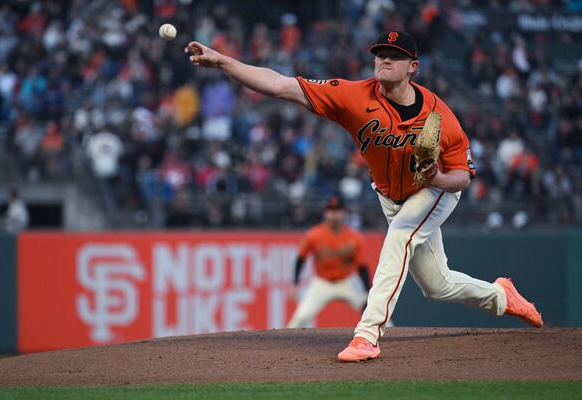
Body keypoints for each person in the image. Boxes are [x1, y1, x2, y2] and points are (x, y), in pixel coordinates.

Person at [184, 30, 543, 363]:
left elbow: (463, 177)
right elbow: (281, 85)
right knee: (437, 285)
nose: (384, 60)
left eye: (394, 56)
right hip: (390, 196)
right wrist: (223, 62)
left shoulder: (440, 117)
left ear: (412, 68)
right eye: (380, 54)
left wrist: (437, 176)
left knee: (399, 236)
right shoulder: (353, 96)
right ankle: (501, 296)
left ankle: (367, 335)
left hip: (434, 190)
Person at [287, 195, 371, 328]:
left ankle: (392, 337)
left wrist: (368, 290)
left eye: (337, 211)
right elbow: (301, 258)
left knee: (373, 311)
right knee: (301, 318)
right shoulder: (314, 235)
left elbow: (362, 267)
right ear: (325, 213)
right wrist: (295, 283)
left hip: (347, 281)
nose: (334, 215)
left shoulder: (355, 238)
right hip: (322, 282)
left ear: (344, 212)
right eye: (331, 211)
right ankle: (286, 347)